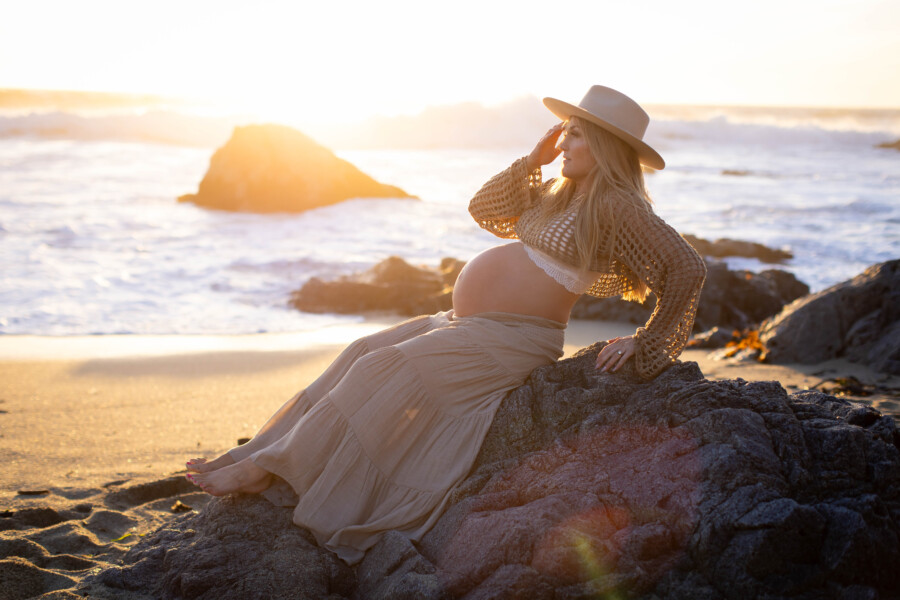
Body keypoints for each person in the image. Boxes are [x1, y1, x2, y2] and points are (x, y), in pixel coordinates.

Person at [185, 85, 707, 564]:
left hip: (513, 341)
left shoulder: (618, 205)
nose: (562, 142)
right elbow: (484, 209)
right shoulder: (558, 192)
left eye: (574, 134)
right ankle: (257, 452)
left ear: (604, 146)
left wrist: (644, 342)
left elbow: (686, 268)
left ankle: (265, 471)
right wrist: (534, 159)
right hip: (471, 323)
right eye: (564, 131)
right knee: (362, 350)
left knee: (382, 369)